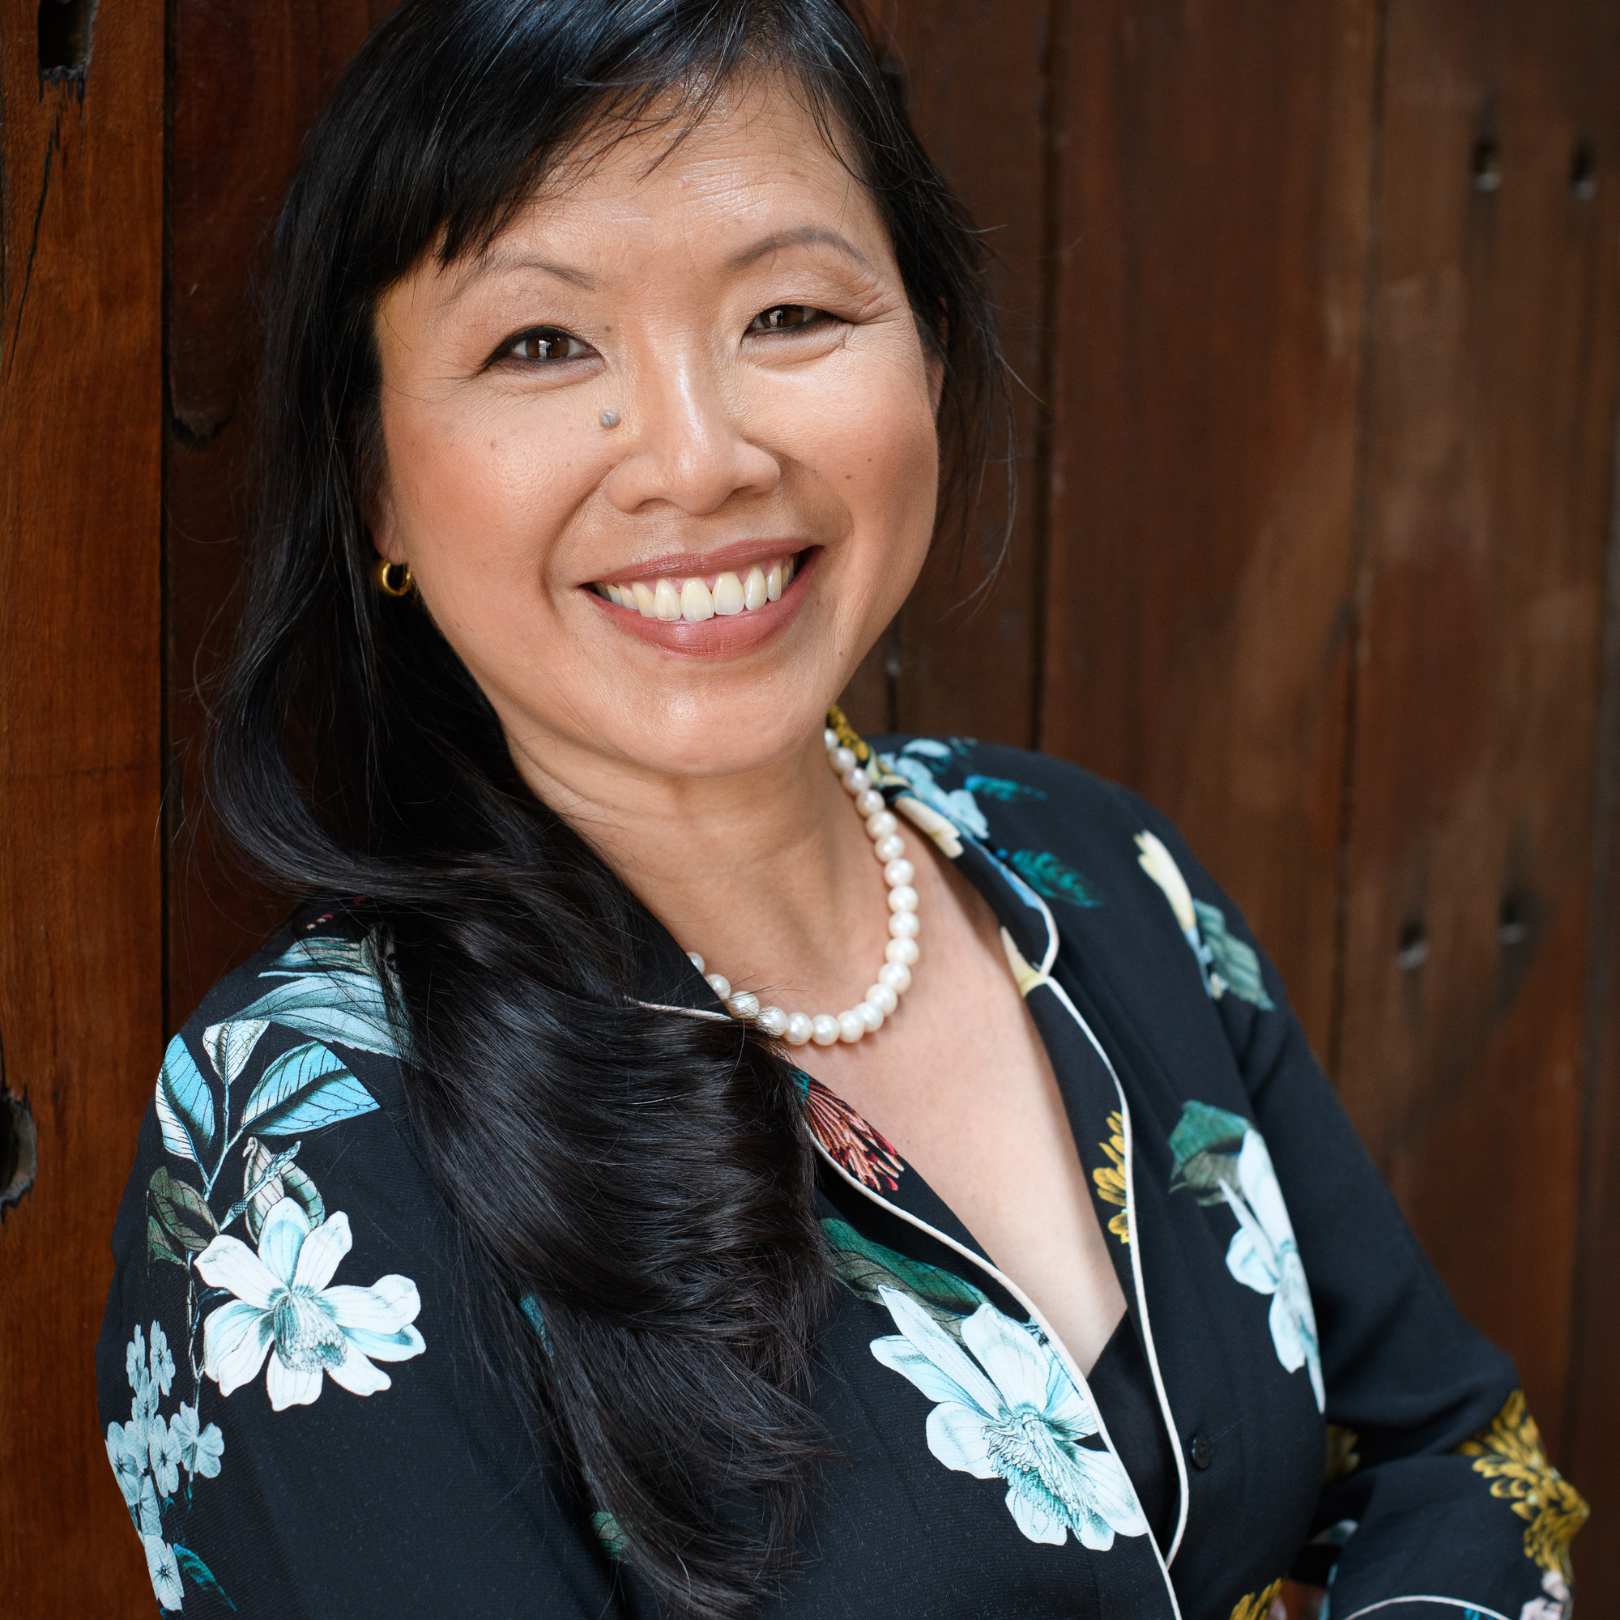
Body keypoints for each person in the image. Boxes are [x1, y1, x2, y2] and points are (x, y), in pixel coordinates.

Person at [98, 2, 1587, 1616]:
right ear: (374, 475)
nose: (697, 459)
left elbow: (1452, 1451)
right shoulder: (297, 1147)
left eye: (791, 314)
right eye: (541, 345)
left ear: (928, 356)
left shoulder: (1087, 865)